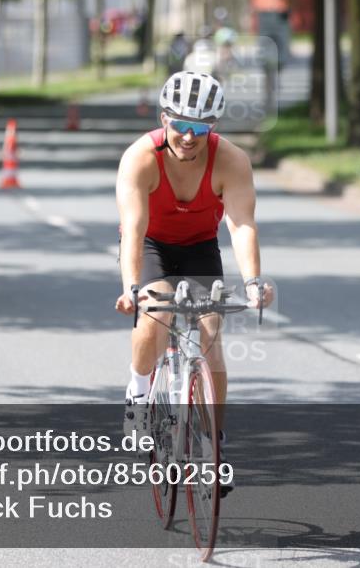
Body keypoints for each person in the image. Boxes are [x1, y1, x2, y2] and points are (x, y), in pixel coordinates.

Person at [114, 71, 275, 494]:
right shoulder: (140, 158)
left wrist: (254, 281)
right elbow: (132, 228)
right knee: (153, 311)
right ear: (164, 119)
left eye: (199, 128)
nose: (188, 136)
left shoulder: (231, 160)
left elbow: (241, 224)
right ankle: (138, 393)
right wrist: (132, 288)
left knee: (210, 334)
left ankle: (212, 444)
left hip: (200, 246)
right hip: (152, 245)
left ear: (213, 128)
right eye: (180, 125)